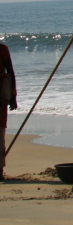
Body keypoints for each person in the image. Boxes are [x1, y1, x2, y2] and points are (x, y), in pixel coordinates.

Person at [0, 43, 17, 181]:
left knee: (0, 133)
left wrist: (13, 96)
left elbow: (10, 72)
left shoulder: (2, 49)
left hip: (0, 95)